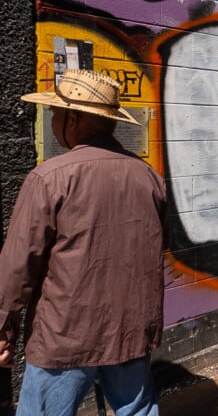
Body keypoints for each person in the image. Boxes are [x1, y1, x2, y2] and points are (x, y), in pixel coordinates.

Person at [0, 69, 167, 415]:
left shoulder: (48, 178)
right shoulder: (149, 176)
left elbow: (17, 267)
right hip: (130, 332)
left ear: (74, 118)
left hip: (65, 338)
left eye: (57, 113)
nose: (54, 120)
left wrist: (3, 330)